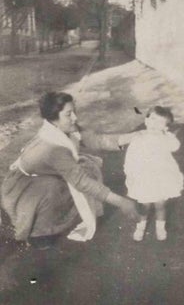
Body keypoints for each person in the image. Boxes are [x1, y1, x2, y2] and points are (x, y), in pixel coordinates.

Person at [1, 92, 139, 249]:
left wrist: (135, 135)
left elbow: (96, 140)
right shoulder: (53, 147)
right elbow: (81, 182)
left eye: (74, 111)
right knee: (60, 186)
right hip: (27, 188)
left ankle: (50, 218)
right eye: (68, 114)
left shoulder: (66, 128)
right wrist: (122, 202)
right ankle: (39, 233)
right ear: (53, 118)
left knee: (84, 170)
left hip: (45, 176)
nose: (74, 117)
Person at [123, 106, 184, 242]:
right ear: (146, 120)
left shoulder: (165, 137)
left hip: (161, 177)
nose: (154, 124)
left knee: (160, 204)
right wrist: (130, 173)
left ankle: (160, 227)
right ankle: (140, 227)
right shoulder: (139, 137)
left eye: (159, 122)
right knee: (144, 205)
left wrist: (167, 135)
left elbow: (175, 146)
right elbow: (131, 157)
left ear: (165, 127)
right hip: (144, 177)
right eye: (152, 119)